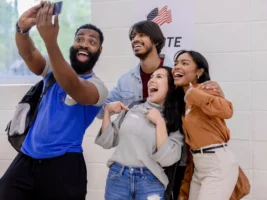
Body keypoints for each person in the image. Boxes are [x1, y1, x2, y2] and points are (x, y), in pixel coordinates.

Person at [97, 20, 225, 199]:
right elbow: (103, 113)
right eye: (133, 37)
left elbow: (200, 98)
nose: (135, 40)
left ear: (156, 41)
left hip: (174, 163)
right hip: (125, 170)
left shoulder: (175, 74)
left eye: (141, 35)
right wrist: (88, 91)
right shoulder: (126, 79)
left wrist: (215, 90)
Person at [0, 2, 108, 200]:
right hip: (26, 159)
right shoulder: (53, 70)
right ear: (73, 45)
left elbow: (73, 86)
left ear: (99, 51)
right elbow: (29, 54)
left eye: (92, 42)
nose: (84, 43)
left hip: (64, 166)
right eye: (79, 39)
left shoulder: (98, 87)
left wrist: (50, 42)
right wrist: (22, 28)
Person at [95, 67, 184, 200]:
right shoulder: (133, 108)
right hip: (118, 177)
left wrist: (160, 123)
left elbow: (168, 159)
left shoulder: (175, 119)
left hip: (150, 182)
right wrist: (107, 111)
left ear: (171, 87)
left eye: (159, 77)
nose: (152, 80)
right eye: (152, 77)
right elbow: (108, 141)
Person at [172, 50, 238, 200]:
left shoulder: (205, 89)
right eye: (175, 64)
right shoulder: (181, 100)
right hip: (199, 166)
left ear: (199, 72)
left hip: (217, 163)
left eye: (184, 63)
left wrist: (193, 93)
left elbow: (227, 111)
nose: (177, 67)